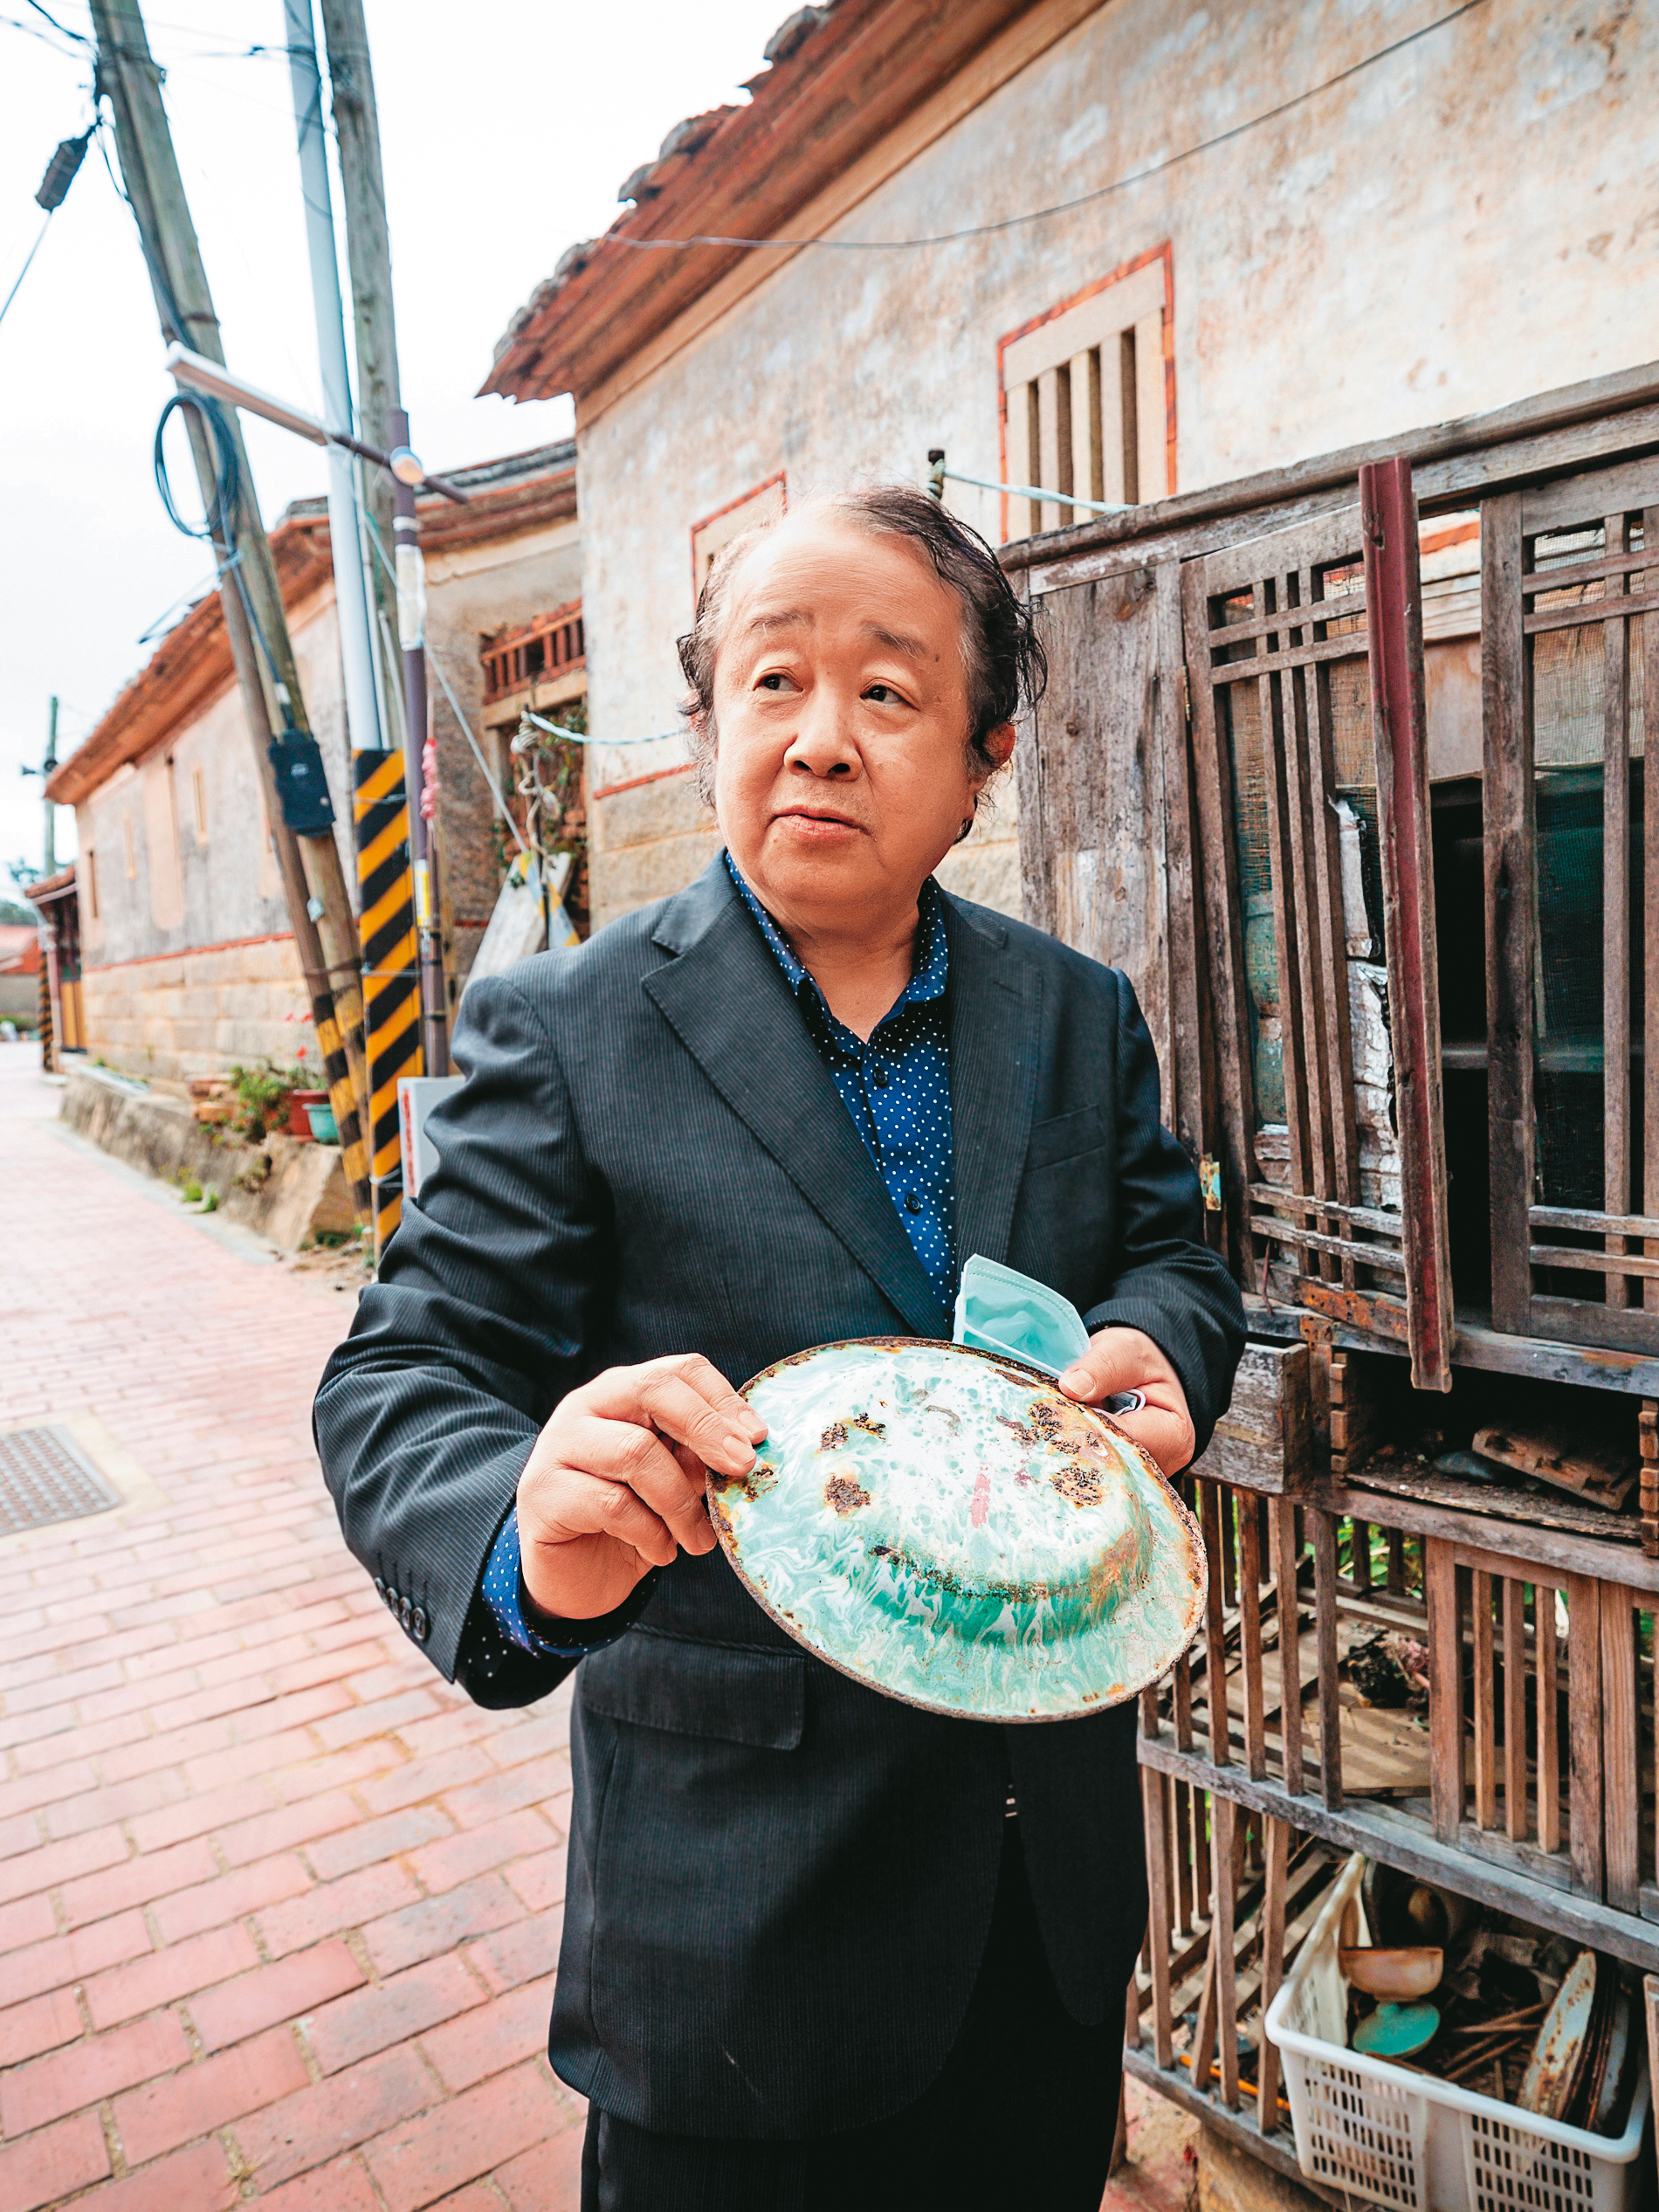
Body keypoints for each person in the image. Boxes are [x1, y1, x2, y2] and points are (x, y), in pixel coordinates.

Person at [316, 486, 1245, 2209]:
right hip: (736, 1933)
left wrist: (1161, 1342)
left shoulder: (1074, 1012)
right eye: (772, 681)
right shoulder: (570, 1030)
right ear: (705, 733)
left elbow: (1172, 1254)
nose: (820, 737)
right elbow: (403, 1372)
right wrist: (526, 1522)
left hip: (1039, 1905)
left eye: (887, 691)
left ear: (982, 759)